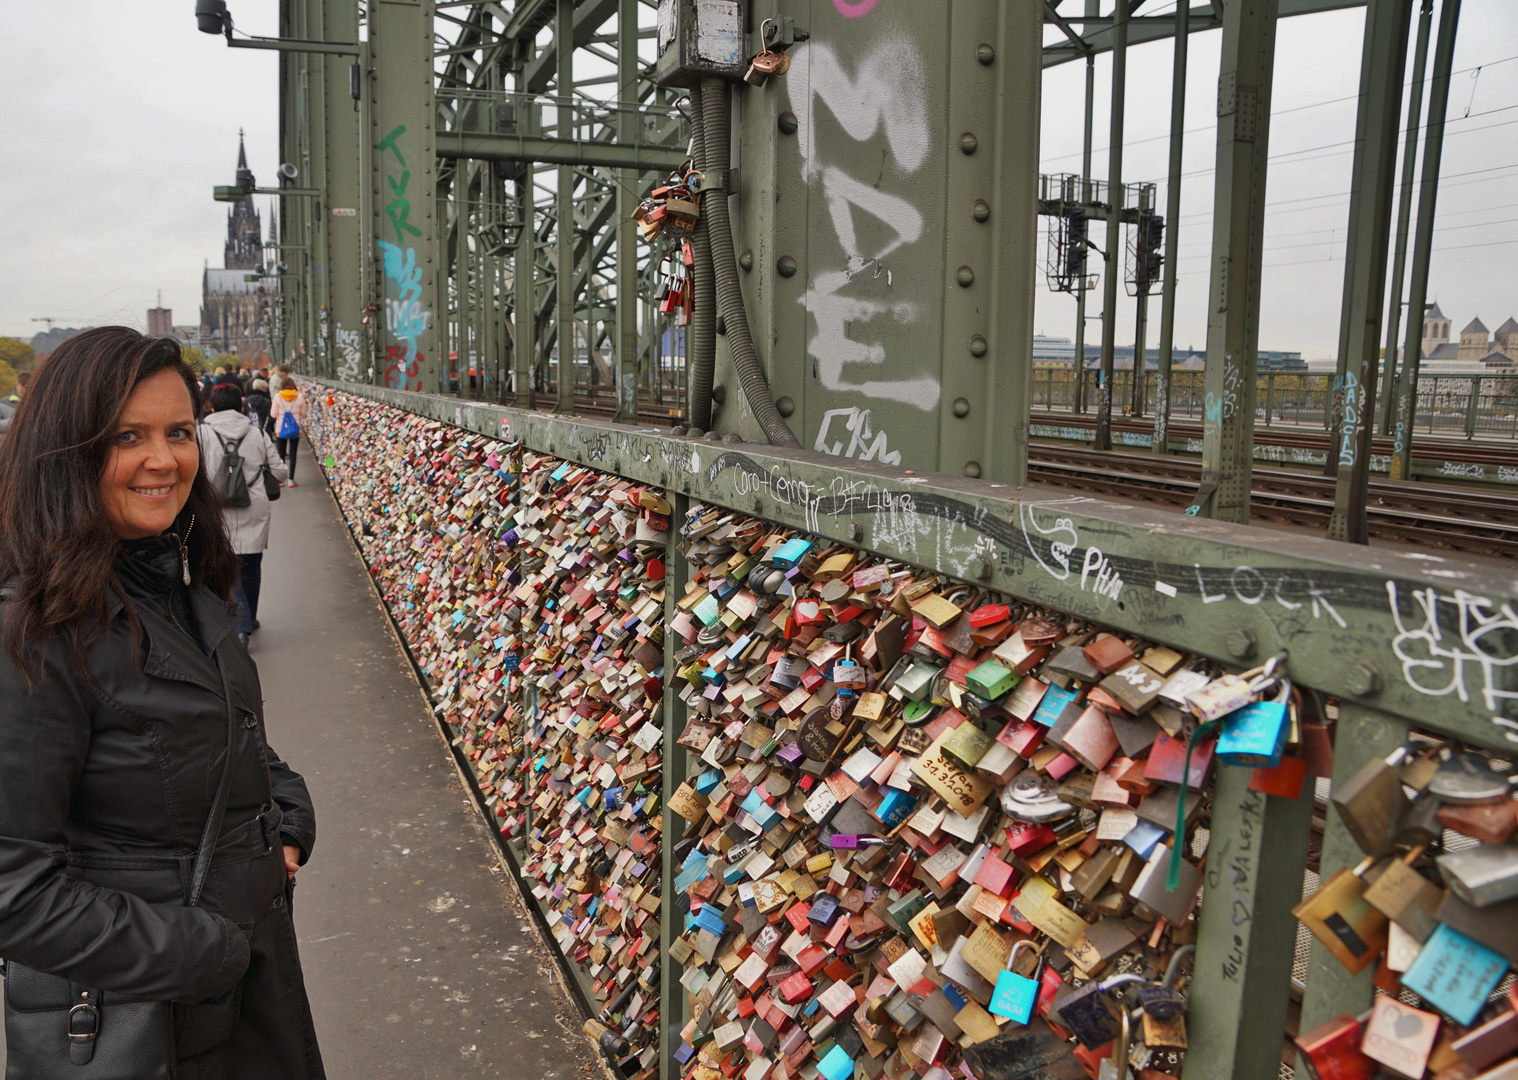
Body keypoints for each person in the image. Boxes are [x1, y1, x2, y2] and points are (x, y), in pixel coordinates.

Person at [0, 327, 324, 1077]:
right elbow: (13, 887)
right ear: (66, 452)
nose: (165, 459)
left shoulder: (179, 587)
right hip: (148, 1019)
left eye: (178, 432)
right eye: (127, 437)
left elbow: (230, 737)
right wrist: (199, 952)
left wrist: (290, 819)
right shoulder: (37, 633)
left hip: (238, 992)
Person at [200, 383, 287, 644]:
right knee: (252, 561)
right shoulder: (256, 433)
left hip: (217, 506)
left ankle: (241, 625)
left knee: (228, 563)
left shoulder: (201, 433)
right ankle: (249, 618)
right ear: (241, 407)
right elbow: (280, 471)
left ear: (211, 407)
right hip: (254, 504)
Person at [270, 377, 308, 488]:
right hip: (295, 430)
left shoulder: (277, 397)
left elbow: (273, 414)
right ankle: (291, 480)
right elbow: (304, 414)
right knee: (293, 454)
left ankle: (281, 480)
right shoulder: (299, 396)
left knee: (281, 455)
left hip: (280, 429)